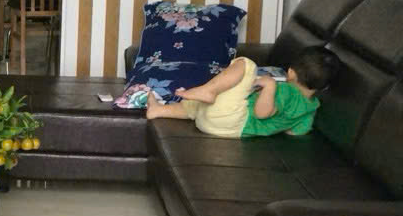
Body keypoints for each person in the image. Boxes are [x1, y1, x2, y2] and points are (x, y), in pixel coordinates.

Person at [145, 46, 341, 138]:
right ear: (325, 87)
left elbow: (261, 113)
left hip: (231, 119)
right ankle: (158, 110)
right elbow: (295, 132)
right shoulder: (310, 109)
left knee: (246, 64)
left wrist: (269, 87)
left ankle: (208, 90)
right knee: (199, 105)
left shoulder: (286, 91)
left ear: (290, 73)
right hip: (229, 130)